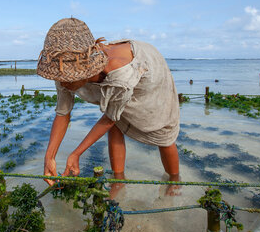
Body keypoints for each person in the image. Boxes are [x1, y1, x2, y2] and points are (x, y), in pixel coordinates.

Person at [37, 18, 181, 196]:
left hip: (149, 70)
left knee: (163, 133)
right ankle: (118, 179)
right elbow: (62, 113)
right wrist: (49, 157)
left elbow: (110, 118)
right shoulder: (62, 67)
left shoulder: (120, 74)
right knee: (118, 125)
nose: (62, 83)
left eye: (68, 79)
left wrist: (75, 154)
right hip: (117, 79)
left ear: (86, 69)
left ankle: (175, 180)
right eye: (60, 78)